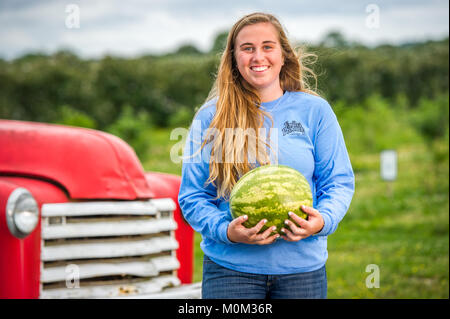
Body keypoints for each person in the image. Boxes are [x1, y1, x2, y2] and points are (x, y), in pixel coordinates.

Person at [178, 12, 355, 299]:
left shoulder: (315, 111)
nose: (258, 56)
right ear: (234, 59)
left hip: (302, 272)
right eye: (247, 48)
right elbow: (192, 196)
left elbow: (338, 182)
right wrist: (226, 231)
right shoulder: (211, 116)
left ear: (283, 54)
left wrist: (322, 221)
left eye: (267, 46)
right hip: (230, 272)